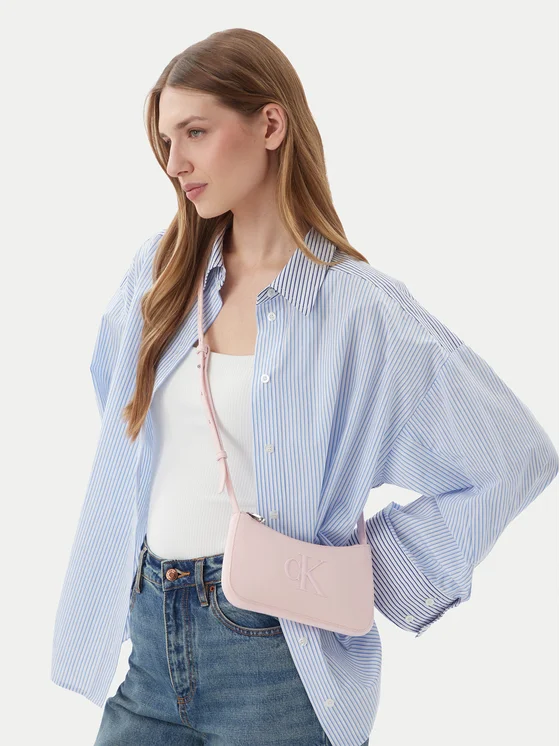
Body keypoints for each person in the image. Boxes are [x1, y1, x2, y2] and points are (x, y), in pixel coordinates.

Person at [50, 28, 558, 746]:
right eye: (166, 140)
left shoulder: (357, 309)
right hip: (151, 633)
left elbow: (513, 457)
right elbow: (119, 411)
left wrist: (371, 569)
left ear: (270, 125)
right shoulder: (159, 275)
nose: (175, 162)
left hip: (273, 651)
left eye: (196, 132)